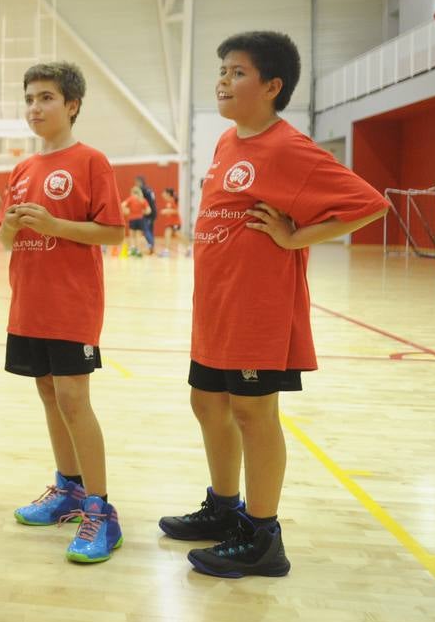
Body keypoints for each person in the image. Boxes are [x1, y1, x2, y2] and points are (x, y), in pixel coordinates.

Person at [159, 31, 386, 578]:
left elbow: (370, 204)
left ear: (272, 86)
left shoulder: (289, 146)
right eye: (222, 69)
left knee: (252, 412)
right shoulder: (226, 142)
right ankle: (224, 508)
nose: (223, 80)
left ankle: (263, 536)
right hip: (216, 305)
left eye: (237, 71)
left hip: (257, 309)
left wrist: (295, 239)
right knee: (206, 403)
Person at [0, 62, 126, 564]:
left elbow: (113, 233)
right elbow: (6, 240)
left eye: (47, 97)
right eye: (30, 97)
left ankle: (101, 510)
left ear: (72, 105)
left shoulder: (91, 161)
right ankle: (68, 489)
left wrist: (55, 222)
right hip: (28, 302)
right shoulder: (22, 169)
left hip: (73, 304)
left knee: (74, 398)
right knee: (49, 393)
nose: (36, 107)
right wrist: (12, 225)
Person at [121, 185, 150, 256]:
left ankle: (132, 250)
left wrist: (127, 211)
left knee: (132, 235)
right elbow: (149, 210)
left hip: (132, 219)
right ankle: (138, 250)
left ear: (132, 192)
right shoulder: (142, 200)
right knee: (138, 236)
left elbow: (122, 205)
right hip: (140, 219)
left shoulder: (131, 198)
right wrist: (143, 211)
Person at [155, 186, 184, 257]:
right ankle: (166, 251)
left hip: (176, 222)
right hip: (170, 223)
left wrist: (166, 211)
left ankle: (189, 247)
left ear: (168, 194)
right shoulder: (169, 201)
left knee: (179, 235)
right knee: (167, 235)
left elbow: (176, 211)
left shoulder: (173, 200)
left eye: (164, 193)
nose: (162, 194)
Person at [135, 174, 156, 254]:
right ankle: (151, 248)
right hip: (153, 211)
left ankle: (151, 247)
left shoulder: (142, 190)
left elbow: (140, 201)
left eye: (136, 182)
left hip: (148, 212)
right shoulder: (149, 189)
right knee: (150, 231)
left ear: (139, 182)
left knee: (146, 231)